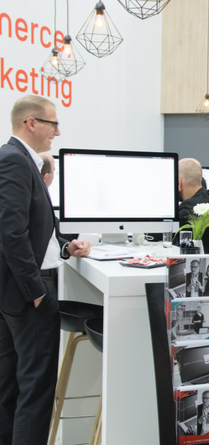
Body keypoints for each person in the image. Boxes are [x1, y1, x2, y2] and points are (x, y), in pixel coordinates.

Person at [0, 95, 91, 445]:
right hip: (28, 292)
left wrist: (67, 247)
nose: (57, 131)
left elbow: (37, 228)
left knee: (11, 385)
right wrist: (36, 291)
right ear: (31, 123)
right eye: (53, 123)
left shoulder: (24, 160)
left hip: (18, 291)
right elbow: (11, 234)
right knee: (36, 390)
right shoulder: (14, 160)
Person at [39, 151, 79, 242]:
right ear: (45, 176)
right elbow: (60, 233)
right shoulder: (40, 206)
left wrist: (67, 247)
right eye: (54, 172)